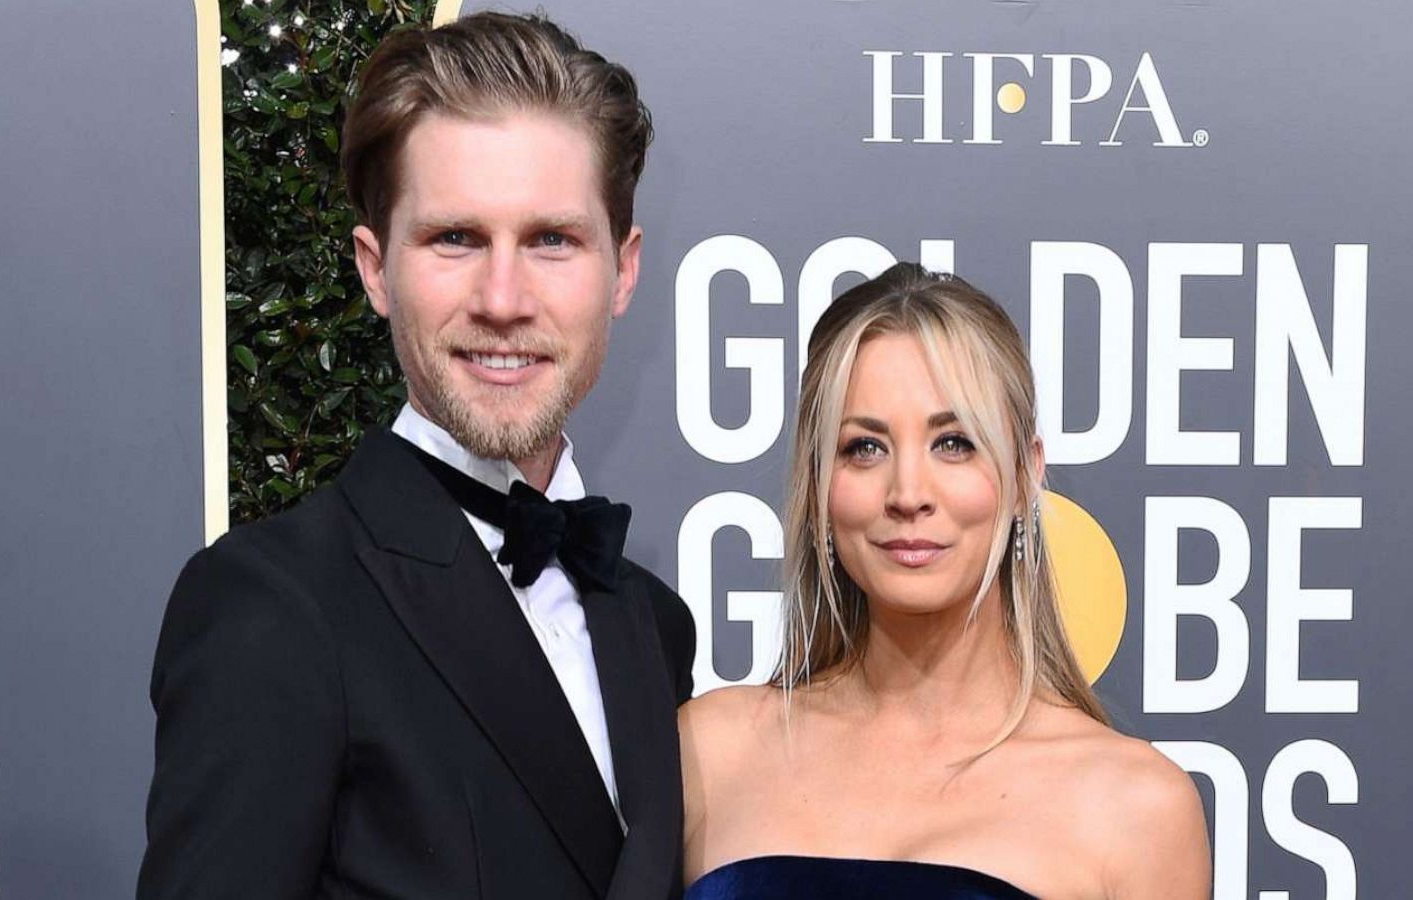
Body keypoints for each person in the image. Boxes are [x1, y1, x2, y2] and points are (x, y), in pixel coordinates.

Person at [137, 13, 695, 900]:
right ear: (374, 268)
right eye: (455, 239)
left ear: (622, 271)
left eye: (552, 239)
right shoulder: (273, 608)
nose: (504, 299)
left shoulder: (655, 628)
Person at [678, 263, 1209, 899]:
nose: (908, 494)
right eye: (863, 448)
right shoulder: (708, 752)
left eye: (954, 443)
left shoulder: (1138, 808)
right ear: (818, 485)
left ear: (1024, 476)